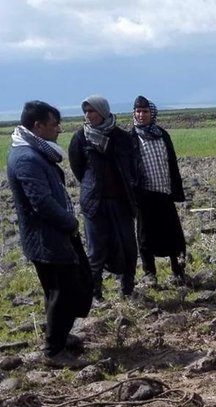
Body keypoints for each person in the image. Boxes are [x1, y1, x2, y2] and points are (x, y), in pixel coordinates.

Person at [7, 100, 92, 368]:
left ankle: (60, 336)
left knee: (62, 289)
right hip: (47, 237)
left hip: (54, 234)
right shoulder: (26, 158)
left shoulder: (34, 151)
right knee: (62, 291)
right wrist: (69, 222)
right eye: (54, 124)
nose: (59, 129)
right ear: (38, 126)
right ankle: (54, 351)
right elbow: (41, 202)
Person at [69, 95, 141, 300]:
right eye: (86, 111)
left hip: (121, 201)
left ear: (103, 111)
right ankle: (96, 294)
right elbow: (78, 168)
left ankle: (127, 288)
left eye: (92, 110)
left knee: (128, 246)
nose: (88, 115)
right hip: (95, 203)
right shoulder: (80, 138)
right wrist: (93, 185)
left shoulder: (121, 137)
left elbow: (132, 165)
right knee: (96, 250)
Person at [130, 96, 187, 286]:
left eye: (145, 111)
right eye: (138, 111)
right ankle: (149, 273)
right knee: (145, 235)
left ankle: (177, 269)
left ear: (151, 113)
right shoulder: (131, 138)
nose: (141, 115)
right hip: (143, 194)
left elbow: (172, 162)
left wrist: (175, 189)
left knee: (171, 231)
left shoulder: (162, 134)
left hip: (164, 191)